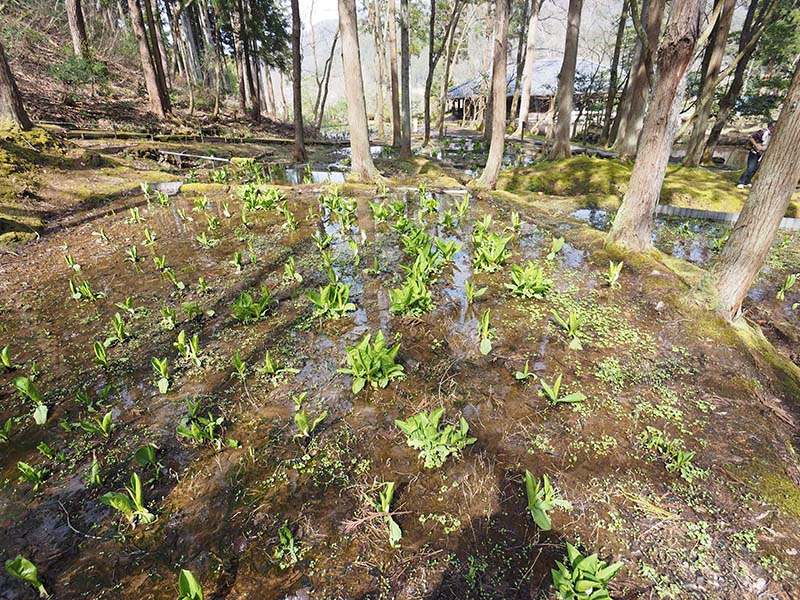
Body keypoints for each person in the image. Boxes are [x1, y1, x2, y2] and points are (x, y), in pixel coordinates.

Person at [737, 121, 776, 188]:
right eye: (773, 127)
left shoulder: (776, 135)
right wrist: (756, 145)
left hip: (764, 154)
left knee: (755, 168)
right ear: (770, 127)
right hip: (755, 152)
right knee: (750, 167)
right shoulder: (762, 132)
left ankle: (747, 181)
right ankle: (741, 182)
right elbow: (751, 137)